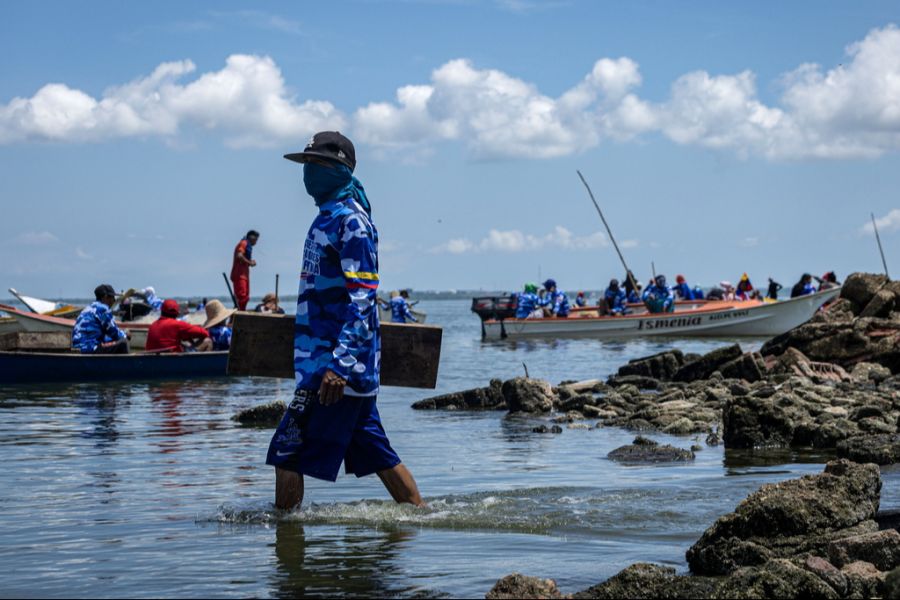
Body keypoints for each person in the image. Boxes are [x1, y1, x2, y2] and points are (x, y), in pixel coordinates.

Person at [269, 131, 424, 511]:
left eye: (317, 164)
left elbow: (363, 297)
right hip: (324, 367)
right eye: (306, 165)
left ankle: (288, 555)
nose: (309, 173)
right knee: (379, 456)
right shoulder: (325, 218)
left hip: (335, 372)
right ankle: (420, 524)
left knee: (287, 454)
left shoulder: (351, 222)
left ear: (340, 169)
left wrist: (339, 366)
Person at [72, 284, 130, 354]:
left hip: (80, 347)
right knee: (122, 343)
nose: (114, 300)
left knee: (112, 341)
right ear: (105, 297)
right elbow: (114, 333)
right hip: (90, 348)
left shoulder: (88, 308)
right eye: (112, 297)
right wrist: (126, 334)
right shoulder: (102, 309)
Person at [145, 299, 212, 352]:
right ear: (176, 314)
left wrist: (186, 336)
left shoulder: (152, 325)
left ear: (162, 311)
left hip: (153, 358)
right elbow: (205, 333)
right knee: (208, 341)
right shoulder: (178, 324)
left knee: (184, 344)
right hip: (172, 360)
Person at [231, 230, 259, 310]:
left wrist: (250, 262)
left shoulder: (247, 245)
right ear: (251, 237)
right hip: (239, 275)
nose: (256, 242)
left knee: (246, 297)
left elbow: (243, 258)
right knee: (242, 297)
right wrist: (250, 263)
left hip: (244, 275)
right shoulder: (244, 243)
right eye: (256, 240)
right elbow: (239, 255)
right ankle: (238, 315)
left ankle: (240, 314)